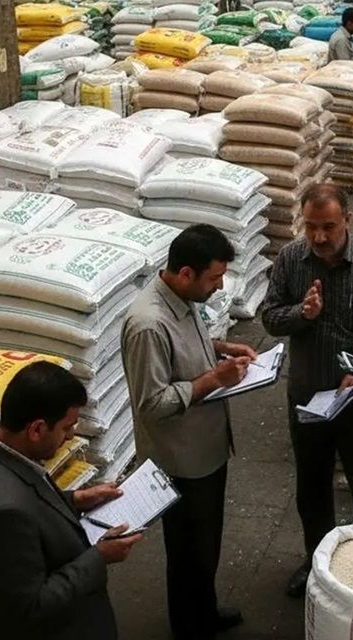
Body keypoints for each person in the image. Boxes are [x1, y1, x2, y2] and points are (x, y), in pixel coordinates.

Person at [261, 183, 353, 598]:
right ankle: (317, 561)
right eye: (311, 227)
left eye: (328, 227)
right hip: (307, 397)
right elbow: (270, 317)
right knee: (312, 485)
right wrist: (301, 314)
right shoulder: (291, 259)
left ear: (347, 220)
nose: (320, 237)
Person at [121, 224, 257, 640]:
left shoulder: (183, 299)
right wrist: (214, 379)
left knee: (205, 547)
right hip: (181, 461)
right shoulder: (148, 324)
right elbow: (153, 404)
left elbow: (189, 343)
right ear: (185, 273)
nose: (219, 287)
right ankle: (190, 627)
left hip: (206, 448)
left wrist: (221, 348)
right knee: (187, 554)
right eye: (214, 278)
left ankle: (205, 609)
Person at [0, 362, 143, 640]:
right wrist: (99, 556)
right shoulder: (6, 514)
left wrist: (76, 500)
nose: (70, 435)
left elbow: (32, 507)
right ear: (37, 429)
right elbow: (32, 605)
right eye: (67, 427)